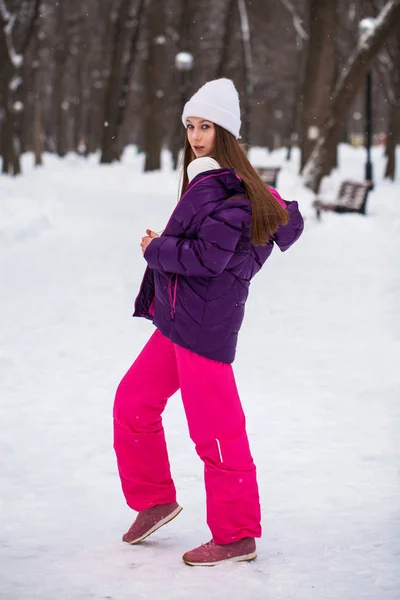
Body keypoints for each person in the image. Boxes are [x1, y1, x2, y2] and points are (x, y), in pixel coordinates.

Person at [113, 78, 304, 567]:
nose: (197, 135)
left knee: (216, 433)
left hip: (205, 329)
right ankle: (154, 500)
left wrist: (155, 248)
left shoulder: (233, 193)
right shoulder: (207, 181)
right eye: (192, 126)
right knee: (133, 402)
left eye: (207, 126)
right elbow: (203, 250)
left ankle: (237, 534)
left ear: (227, 133)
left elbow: (209, 258)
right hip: (176, 319)